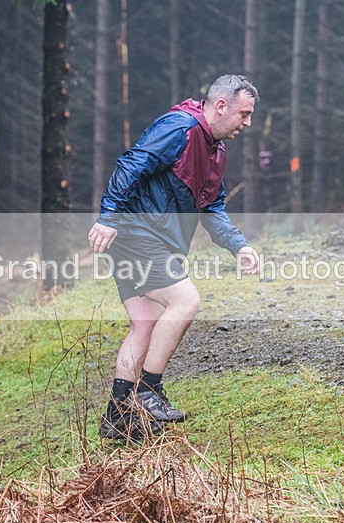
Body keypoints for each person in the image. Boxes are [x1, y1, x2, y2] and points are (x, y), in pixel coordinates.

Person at [88, 74, 261, 439]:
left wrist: (239, 245)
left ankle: (118, 418)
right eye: (244, 114)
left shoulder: (216, 150)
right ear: (221, 106)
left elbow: (211, 205)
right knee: (186, 301)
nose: (247, 123)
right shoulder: (180, 128)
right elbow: (130, 165)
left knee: (146, 324)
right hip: (135, 232)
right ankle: (149, 392)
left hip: (151, 240)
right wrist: (108, 216)